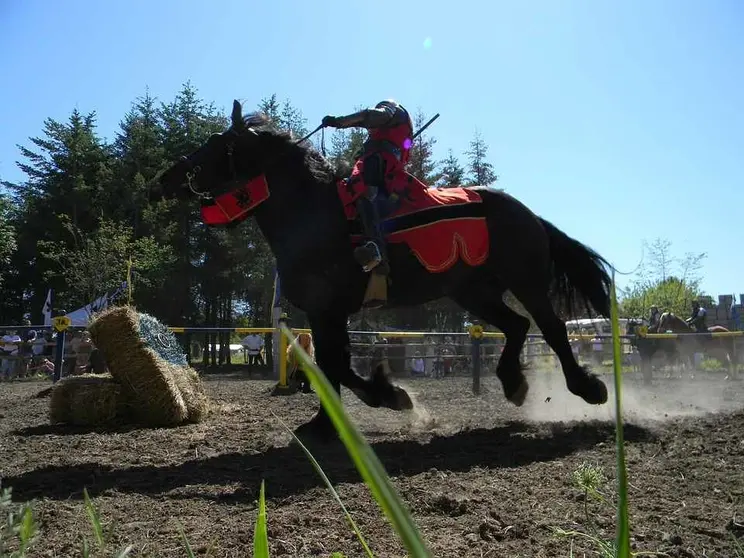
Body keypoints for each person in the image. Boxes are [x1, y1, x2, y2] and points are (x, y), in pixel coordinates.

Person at [321, 99, 415, 280]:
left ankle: (375, 248)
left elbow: (369, 116)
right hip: (381, 162)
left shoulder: (392, 110)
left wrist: (338, 121)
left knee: (363, 189)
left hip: (381, 163)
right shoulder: (394, 127)